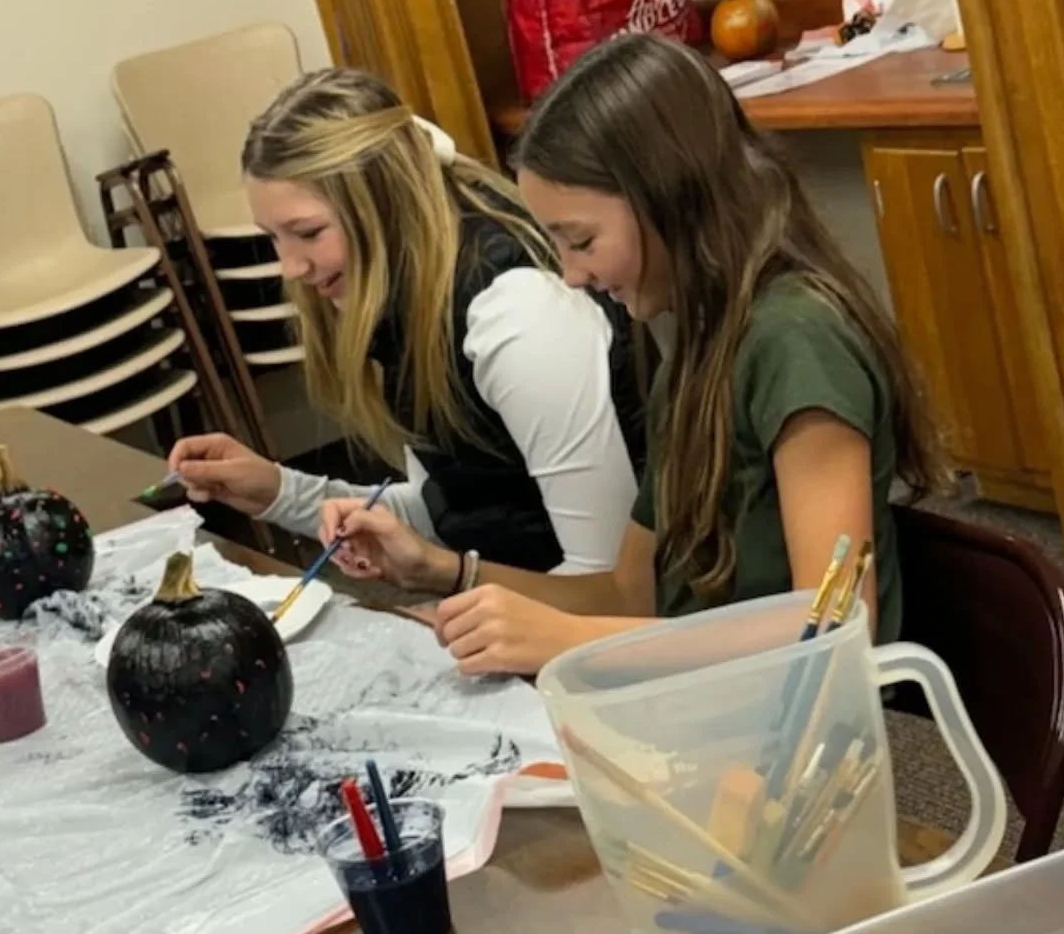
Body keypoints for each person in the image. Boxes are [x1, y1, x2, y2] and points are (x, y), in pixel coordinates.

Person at [319, 33, 947, 676]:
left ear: (666, 198)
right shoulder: (697, 345)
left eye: (582, 240)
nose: (570, 275)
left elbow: (836, 625)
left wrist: (570, 641)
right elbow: (629, 594)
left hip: (795, 734)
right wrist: (442, 569)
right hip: (709, 702)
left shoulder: (796, 342)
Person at [168, 67, 647, 577]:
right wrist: (279, 491)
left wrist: (450, 581)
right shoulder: (407, 306)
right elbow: (449, 511)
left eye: (307, 232)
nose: (291, 267)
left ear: (385, 206)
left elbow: (610, 582)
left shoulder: (518, 319)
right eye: (273, 237)